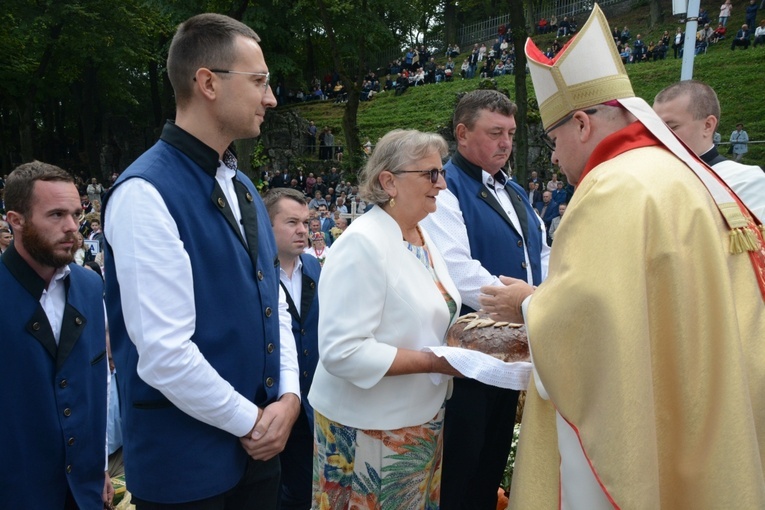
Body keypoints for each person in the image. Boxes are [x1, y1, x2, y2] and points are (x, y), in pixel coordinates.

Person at [486, 6, 765, 508]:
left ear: (582, 124)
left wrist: (528, 305)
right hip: (699, 394)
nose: (553, 156)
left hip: (640, 407)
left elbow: (588, 321)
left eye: (554, 140)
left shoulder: (612, 186)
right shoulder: (674, 172)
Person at [102, 13, 301, 508]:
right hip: (186, 471)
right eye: (259, 81)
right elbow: (165, 353)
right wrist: (253, 421)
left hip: (257, 453)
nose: (270, 97)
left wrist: (289, 399)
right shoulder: (144, 193)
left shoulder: (243, 185)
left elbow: (271, 299)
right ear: (208, 83)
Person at [308, 129, 463, 509]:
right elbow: (342, 351)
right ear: (389, 181)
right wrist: (434, 360)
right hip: (369, 430)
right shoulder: (363, 242)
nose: (442, 184)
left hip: (418, 422)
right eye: (430, 174)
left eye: (441, 173)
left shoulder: (421, 235)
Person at [419, 90, 549, 510]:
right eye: (495, 132)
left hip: (517, 351)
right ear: (462, 133)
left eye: (510, 133)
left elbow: (542, 256)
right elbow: (457, 270)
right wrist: (521, 303)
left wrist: (540, 301)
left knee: (491, 465)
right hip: (469, 357)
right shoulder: (444, 188)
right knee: (461, 467)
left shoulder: (515, 192)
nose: (506, 142)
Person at [0, 161, 111, 508]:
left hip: (84, 491)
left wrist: (100, 466)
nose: (71, 227)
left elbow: (96, 387)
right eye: (56, 215)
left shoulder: (91, 286)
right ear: (15, 221)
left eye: (76, 214)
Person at [263, 188, 321, 510]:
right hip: (271, 405)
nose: (303, 230)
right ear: (267, 226)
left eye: (306, 222)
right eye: (292, 222)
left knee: (302, 493)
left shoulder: (315, 269)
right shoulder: (255, 275)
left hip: (312, 402)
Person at [653, 80, 765, 221]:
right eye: (655, 128)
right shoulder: (650, 179)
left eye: (672, 127)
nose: (658, 136)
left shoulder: (745, 181)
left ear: (707, 125)